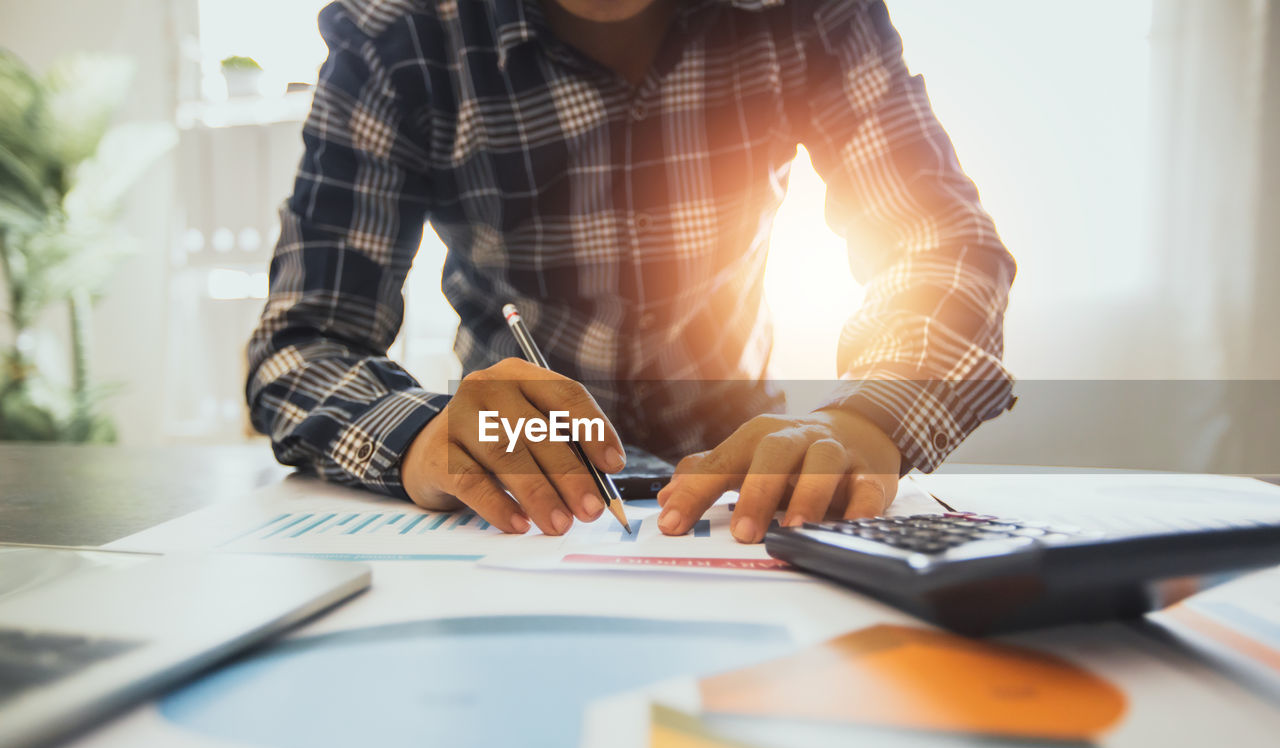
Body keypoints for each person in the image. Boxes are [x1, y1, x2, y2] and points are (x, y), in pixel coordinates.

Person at [247, 0, 1016, 544]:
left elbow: (940, 245)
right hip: (511, 508)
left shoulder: (811, 12)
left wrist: (866, 417)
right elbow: (302, 343)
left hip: (747, 493)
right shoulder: (397, 30)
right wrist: (424, 438)